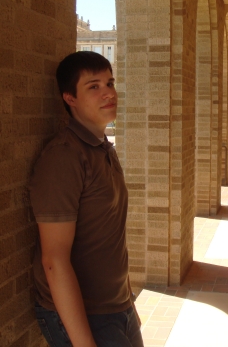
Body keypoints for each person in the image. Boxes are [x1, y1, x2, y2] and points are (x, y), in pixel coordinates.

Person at [29, 51, 144, 347]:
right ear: (70, 98)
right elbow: (54, 260)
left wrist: (128, 304)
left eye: (110, 83)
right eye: (94, 86)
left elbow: (111, 236)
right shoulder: (64, 157)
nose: (108, 93)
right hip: (86, 316)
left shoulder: (102, 148)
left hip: (119, 308)